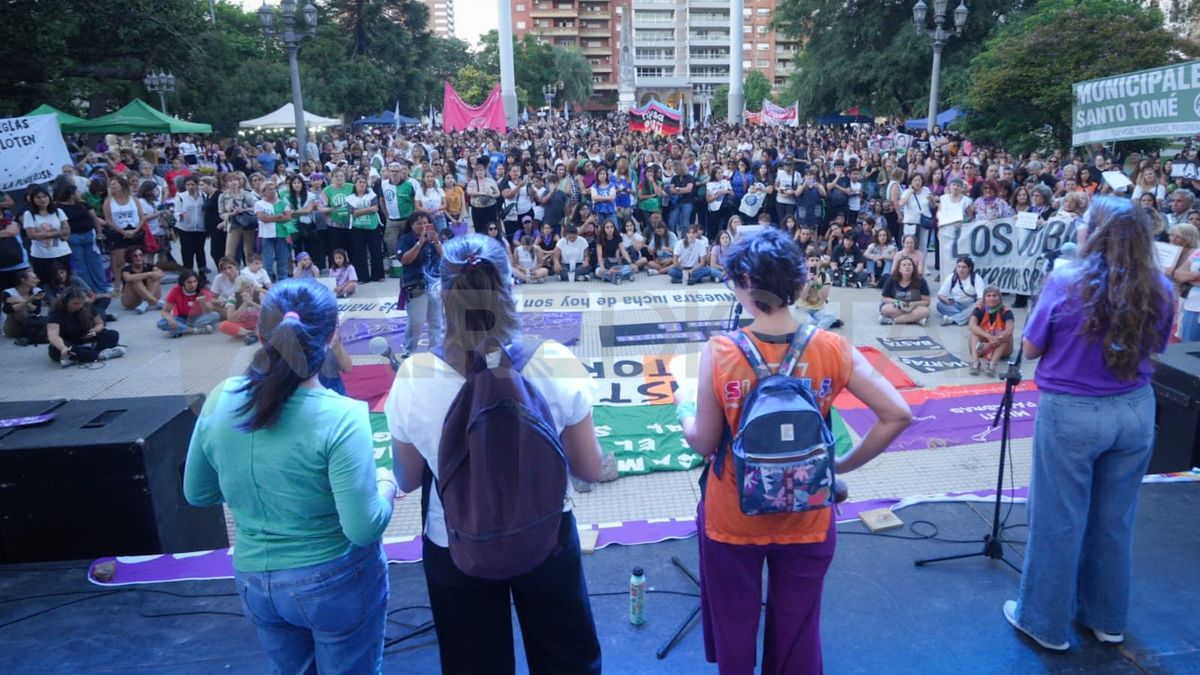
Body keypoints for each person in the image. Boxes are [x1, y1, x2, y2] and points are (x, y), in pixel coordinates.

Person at [671, 227, 912, 674]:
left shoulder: (721, 352)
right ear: (798, 284)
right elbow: (897, 414)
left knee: (735, 627)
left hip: (733, 516)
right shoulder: (833, 347)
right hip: (809, 511)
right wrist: (837, 465)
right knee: (799, 632)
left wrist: (683, 404)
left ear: (743, 284)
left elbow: (703, 442)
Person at [385, 233, 603, 674]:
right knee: (567, 659)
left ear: (441, 295)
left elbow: (407, 478)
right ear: (509, 287)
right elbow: (589, 469)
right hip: (545, 535)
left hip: (456, 543)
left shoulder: (414, 376)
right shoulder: (553, 361)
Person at [184, 279, 396, 674]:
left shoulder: (221, 396)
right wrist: (386, 482)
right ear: (333, 336)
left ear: (261, 335)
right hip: (333, 581)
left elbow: (198, 492)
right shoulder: (343, 416)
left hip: (255, 582)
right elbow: (363, 528)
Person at [1005, 197, 1175, 652]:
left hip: (1072, 414)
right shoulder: (1160, 286)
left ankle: (1043, 623)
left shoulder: (1065, 280)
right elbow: (1157, 344)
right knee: (1114, 521)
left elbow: (1032, 348)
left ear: (1094, 232)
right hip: (1136, 411)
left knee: (1058, 520)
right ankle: (1106, 620)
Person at [396, 211, 443, 358]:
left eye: (425, 223)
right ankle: (409, 351)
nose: (423, 226)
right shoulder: (405, 239)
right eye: (419, 223)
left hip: (434, 283)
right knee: (416, 321)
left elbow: (445, 258)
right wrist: (419, 243)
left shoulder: (434, 238)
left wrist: (438, 243)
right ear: (412, 225)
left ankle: (435, 351)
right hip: (416, 284)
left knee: (436, 321)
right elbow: (404, 260)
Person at [46, 286, 124, 366]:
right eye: (75, 303)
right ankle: (98, 355)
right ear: (66, 302)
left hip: (86, 337)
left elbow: (99, 323)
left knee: (112, 335)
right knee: (55, 350)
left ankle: (78, 357)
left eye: (81, 303)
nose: (79, 306)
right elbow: (53, 335)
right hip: (68, 341)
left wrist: (95, 330)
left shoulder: (87, 306)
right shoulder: (55, 313)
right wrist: (63, 348)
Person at [54, 182, 110, 295]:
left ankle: (102, 286)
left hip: (89, 235)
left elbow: (94, 218)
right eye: (77, 192)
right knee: (80, 265)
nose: (80, 193)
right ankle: (87, 289)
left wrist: (99, 233)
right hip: (73, 237)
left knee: (95, 262)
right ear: (71, 195)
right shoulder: (58, 208)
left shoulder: (83, 204)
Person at [23, 184, 72, 283]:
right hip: (41, 255)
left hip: (62, 252)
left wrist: (43, 234)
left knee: (66, 280)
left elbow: (66, 230)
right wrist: (57, 233)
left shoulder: (58, 211)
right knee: (45, 281)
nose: (42, 200)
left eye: (44, 196)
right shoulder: (29, 214)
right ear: (33, 200)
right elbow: (32, 235)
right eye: (38, 197)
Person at [966, 287, 1014, 376]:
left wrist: (991, 342)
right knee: (974, 334)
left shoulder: (1006, 311)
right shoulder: (979, 309)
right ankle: (976, 363)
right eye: (988, 296)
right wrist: (989, 337)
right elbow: (971, 326)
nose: (991, 298)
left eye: (994, 295)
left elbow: (1009, 330)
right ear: (984, 298)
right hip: (983, 346)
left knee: (1007, 338)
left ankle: (992, 364)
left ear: (1000, 298)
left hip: (1000, 347)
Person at [157, 269, 220, 337]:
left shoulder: (203, 290)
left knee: (215, 315)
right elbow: (165, 311)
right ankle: (195, 330)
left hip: (198, 317)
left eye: (195, 281)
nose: (192, 284)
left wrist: (202, 302)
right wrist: (170, 319)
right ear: (183, 282)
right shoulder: (176, 290)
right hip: (180, 318)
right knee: (161, 323)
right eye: (189, 282)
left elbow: (209, 311)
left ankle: (180, 329)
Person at [347, 176, 385, 283]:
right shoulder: (350, 198)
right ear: (355, 184)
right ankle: (362, 277)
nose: (362, 184)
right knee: (359, 252)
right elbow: (352, 212)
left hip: (373, 226)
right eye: (360, 182)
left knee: (376, 250)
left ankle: (378, 275)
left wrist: (360, 211)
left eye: (364, 182)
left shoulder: (372, 195)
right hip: (357, 228)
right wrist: (368, 209)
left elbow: (375, 209)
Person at [880, 256, 931, 325]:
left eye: (909, 265)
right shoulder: (892, 279)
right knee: (885, 309)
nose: (907, 267)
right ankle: (915, 319)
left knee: (925, 311)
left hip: (914, 307)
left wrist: (913, 304)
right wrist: (898, 302)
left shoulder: (920, 280)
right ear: (899, 269)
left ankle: (894, 320)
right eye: (904, 265)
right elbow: (884, 298)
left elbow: (927, 301)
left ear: (913, 268)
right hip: (897, 306)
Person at [220, 172, 258, 265]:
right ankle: (230, 272)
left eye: (235, 180)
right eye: (230, 181)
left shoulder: (246, 194)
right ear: (226, 183)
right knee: (229, 253)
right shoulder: (223, 196)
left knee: (249, 251)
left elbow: (256, 207)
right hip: (233, 225)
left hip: (247, 224)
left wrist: (243, 210)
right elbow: (221, 213)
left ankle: (250, 272)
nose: (233, 182)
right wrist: (232, 213)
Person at [936, 256, 986, 326]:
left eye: (964, 267)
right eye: (959, 266)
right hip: (957, 304)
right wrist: (945, 300)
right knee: (940, 305)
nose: (960, 269)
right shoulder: (952, 277)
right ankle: (966, 317)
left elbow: (981, 298)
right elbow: (940, 295)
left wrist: (975, 307)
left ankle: (953, 319)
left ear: (969, 268)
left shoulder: (976, 278)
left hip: (971, 304)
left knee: (980, 306)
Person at [173, 175, 208, 273]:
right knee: (187, 250)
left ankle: (202, 270)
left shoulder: (204, 196)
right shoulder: (180, 197)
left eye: (192, 184)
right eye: (188, 185)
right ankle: (188, 271)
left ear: (197, 185)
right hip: (185, 228)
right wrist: (181, 215)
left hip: (200, 227)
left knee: (200, 249)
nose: (190, 187)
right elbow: (176, 211)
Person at [2, 268, 46, 345]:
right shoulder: (8, 292)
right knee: (19, 309)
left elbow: (37, 310)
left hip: (33, 324)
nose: (37, 280)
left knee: (19, 306)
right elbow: (7, 310)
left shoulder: (37, 291)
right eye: (33, 278)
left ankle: (31, 334)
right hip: (14, 328)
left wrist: (23, 301)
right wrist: (28, 301)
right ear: (23, 280)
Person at [119, 248, 165, 313]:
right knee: (135, 280)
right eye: (135, 256)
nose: (138, 258)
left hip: (149, 296)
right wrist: (149, 274)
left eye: (141, 255)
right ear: (130, 258)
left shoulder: (150, 266)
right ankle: (155, 302)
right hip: (131, 300)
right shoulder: (126, 269)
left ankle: (146, 303)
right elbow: (128, 278)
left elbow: (161, 274)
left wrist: (154, 274)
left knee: (154, 278)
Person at [219, 279, 262, 345]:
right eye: (247, 287)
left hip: (258, 324)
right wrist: (244, 304)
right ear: (240, 290)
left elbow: (267, 311)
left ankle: (247, 335)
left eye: (252, 286)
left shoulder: (259, 295)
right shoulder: (233, 297)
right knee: (223, 325)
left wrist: (251, 302)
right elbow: (231, 318)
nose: (250, 289)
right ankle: (251, 334)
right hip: (241, 325)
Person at [595, 219, 633, 283]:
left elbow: (623, 251)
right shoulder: (600, 239)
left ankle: (613, 276)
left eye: (611, 227)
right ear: (603, 229)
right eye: (607, 227)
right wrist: (602, 266)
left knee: (630, 268)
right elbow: (599, 255)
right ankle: (618, 276)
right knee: (599, 272)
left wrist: (630, 263)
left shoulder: (617, 237)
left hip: (614, 264)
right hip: (604, 263)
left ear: (614, 228)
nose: (610, 229)